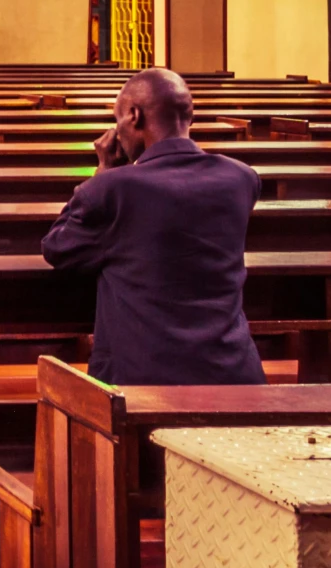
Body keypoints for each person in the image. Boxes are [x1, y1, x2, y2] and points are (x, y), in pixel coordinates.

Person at [40, 68, 265, 386]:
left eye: (118, 120)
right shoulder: (242, 178)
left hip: (143, 383)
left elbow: (58, 248)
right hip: (232, 373)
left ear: (133, 116)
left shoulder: (113, 189)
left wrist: (103, 172)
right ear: (190, 115)